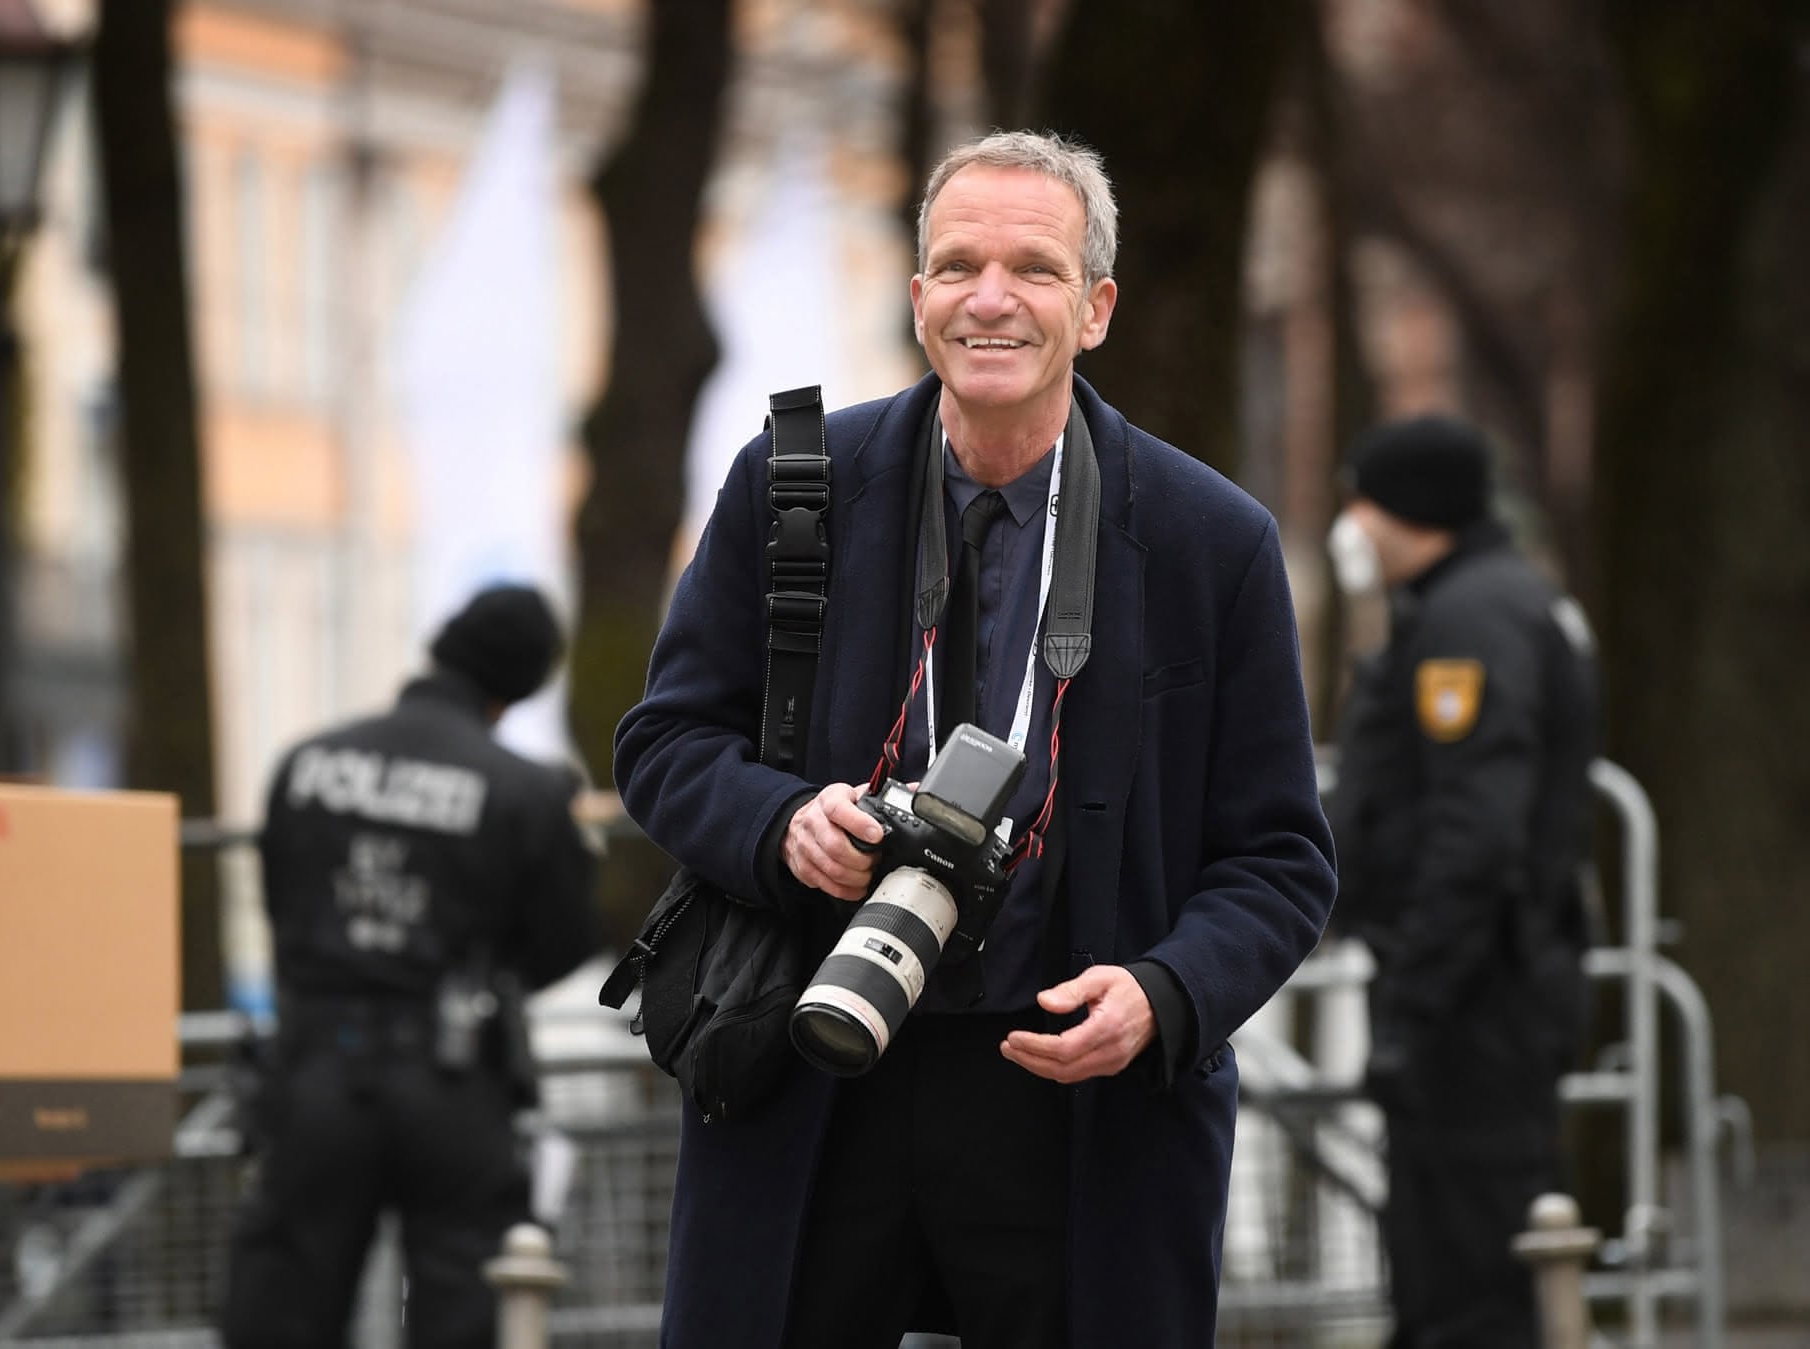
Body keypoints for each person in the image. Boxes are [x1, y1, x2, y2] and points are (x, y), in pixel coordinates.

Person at [614, 130, 1336, 1349]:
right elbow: (667, 742)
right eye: (956, 266)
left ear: (1095, 308)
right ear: (916, 299)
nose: (989, 298)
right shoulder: (795, 490)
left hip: (1077, 1089)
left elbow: (1280, 856)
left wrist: (1165, 992)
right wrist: (781, 822)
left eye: (1034, 269)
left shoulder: (1216, 540)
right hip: (817, 1062)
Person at [223, 584, 601, 1349]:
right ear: (522, 682)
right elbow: (568, 935)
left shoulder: (307, 763)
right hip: (453, 1081)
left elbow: (282, 903)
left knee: (283, 1307)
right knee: (463, 1307)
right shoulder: (522, 789)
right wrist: (488, 974)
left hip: (316, 1072)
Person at [1326, 415, 1601, 1348]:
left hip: (1474, 1000)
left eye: (1364, 498)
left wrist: (1416, 1004)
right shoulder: (1490, 600)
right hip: (1485, 988)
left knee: (1464, 1276)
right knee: (1457, 1259)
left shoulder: (1469, 619)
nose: (1353, 521)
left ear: (1415, 507)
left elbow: (1474, 833)